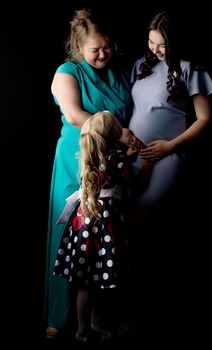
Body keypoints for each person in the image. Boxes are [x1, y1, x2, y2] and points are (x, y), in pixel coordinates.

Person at [44, 7, 141, 339]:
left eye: (107, 47)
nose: (102, 54)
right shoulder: (67, 71)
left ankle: (106, 316)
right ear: (79, 45)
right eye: (94, 49)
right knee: (67, 239)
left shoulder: (120, 72)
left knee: (109, 243)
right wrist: (119, 133)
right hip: (78, 161)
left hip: (112, 166)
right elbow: (73, 115)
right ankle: (60, 316)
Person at [125, 11, 212, 337]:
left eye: (162, 45)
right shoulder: (142, 64)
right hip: (134, 158)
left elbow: (204, 119)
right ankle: (127, 307)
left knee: (137, 227)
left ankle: (137, 312)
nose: (155, 50)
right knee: (128, 234)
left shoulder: (191, 68)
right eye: (151, 42)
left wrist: (169, 146)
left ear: (175, 42)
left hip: (167, 156)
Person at [53, 111, 143, 344]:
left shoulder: (89, 156)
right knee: (98, 281)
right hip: (106, 227)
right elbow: (130, 183)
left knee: (88, 281)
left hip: (85, 225)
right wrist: (132, 160)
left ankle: (89, 327)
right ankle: (86, 330)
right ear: (114, 134)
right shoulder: (117, 158)